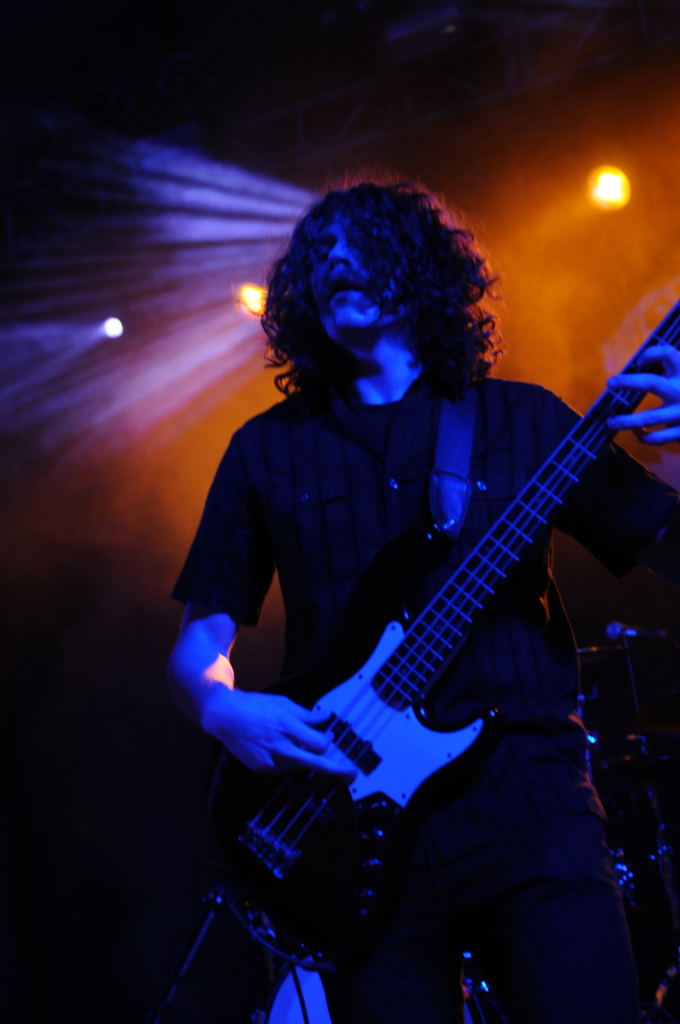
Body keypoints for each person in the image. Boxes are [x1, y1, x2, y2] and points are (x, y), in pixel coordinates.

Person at [168, 179, 680, 1024]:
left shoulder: (524, 421)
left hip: (529, 807)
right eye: (317, 254)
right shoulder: (265, 452)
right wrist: (221, 709)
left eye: (361, 241)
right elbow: (200, 642)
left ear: (422, 269)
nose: (335, 259)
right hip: (349, 838)